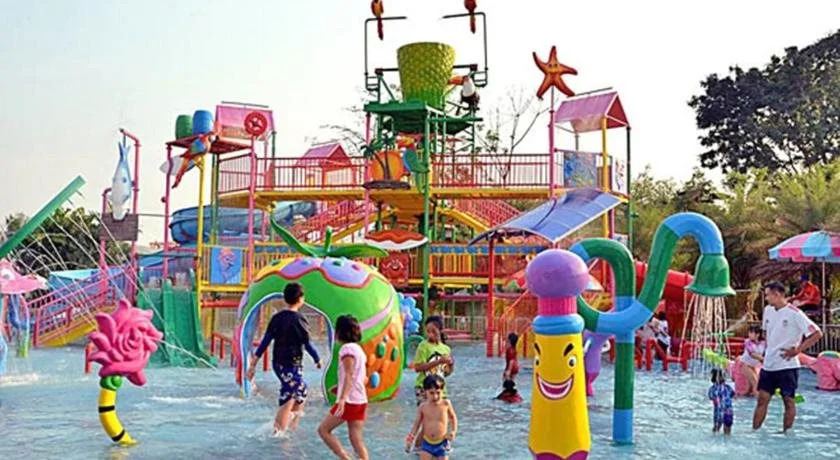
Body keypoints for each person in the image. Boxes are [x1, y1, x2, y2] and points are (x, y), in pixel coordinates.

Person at [247, 282, 322, 435]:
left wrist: (254, 363)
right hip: (289, 364)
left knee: (301, 391)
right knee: (291, 394)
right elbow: (307, 343)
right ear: (300, 299)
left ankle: (290, 428)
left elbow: (265, 342)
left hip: (280, 364)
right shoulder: (299, 320)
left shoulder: (277, 318)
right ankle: (278, 432)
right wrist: (317, 359)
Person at [752, 281, 823, 432]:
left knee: (788, 401)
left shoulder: (795, 313)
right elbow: (767, 333)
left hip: (787, 365)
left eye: (768, 295)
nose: (766, 298)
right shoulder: (767, 310)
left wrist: (798, 350)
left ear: (777, 294)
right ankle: (754, 430)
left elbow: (817, 333)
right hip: (769, 364)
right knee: (762, 399)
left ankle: (786, 433)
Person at [317, 315, 369, 460]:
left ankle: (345, 458)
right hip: (360, 400)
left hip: (349, 401)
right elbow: (360, 377)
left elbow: (349, 374)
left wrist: (343, 397)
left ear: (340, 332)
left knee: (323, 430)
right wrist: (338, 388)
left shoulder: (347, 349)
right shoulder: (359, 350)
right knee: (356, 440)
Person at [411, 316, 454, 449]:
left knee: (442, 419)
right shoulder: (423, 346)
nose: (430, 334)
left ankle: (438, 447)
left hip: (440, 389)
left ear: (440, 331)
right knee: (426, 422)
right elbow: (418, 367)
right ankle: (418, 450)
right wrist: (438, 361)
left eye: (433, 331)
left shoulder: (446, 349)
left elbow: (446, 373)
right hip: (423, 388)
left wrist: (450, 365)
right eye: (428, 331)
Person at [405, 375, 458, 460]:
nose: (435, 396)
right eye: (431, 393)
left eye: (438, 393)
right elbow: (416, 425)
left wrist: (453, 431)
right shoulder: (423, 407)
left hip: (442, 443)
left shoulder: (446, 404)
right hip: (427, 443)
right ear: (425, 392)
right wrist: (410, 439)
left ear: (443, 391)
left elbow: (453, 418)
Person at [738, 325, 765, 396]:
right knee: (756, 384)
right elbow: (752, 354)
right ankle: (760, 400)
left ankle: (740, 397)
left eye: (751, 332)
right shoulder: (748, 342)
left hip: (753, 366)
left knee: (749, 389)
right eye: (749, 332)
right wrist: (764, 360)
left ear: (758, 334)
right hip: (745, 365)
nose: (749, 334)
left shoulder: (763, 343)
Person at [708, 368, 735, 435]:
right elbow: (733, 395)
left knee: (716, 428)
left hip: (719, 412)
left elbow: (711, 397)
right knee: (727, 430)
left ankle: (714, 436)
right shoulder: (727, 387)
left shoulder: (712, 389)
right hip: (728, 411)